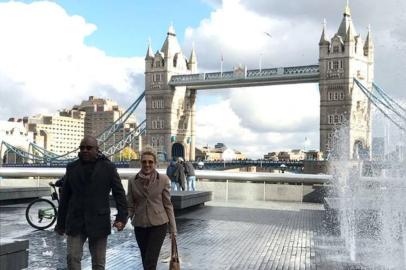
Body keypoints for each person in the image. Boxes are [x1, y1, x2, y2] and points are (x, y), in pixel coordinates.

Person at [54, 136, 128, 270]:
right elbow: (65, 198)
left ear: (97, 150)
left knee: (99, 263)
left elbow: (120, 194)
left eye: (89, 148)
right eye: (82, 148)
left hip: (99, 222)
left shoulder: (108, 168)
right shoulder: (71, 167)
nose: (85, 150)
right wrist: (60, 224)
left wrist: (122, 218)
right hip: (75, 221)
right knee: (72, 258)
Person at [127, 148, 177, 270]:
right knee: (145, 259)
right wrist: (123, 219)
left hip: (158, 224)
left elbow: (168, 205)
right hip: (140, 225)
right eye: (144, 162)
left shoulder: (163, 180)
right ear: (141, 163)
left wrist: (173, 229)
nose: (147, 165)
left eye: (150, 162)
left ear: (155, 163)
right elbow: (130, 205)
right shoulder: (132, 181)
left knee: (150, 260)